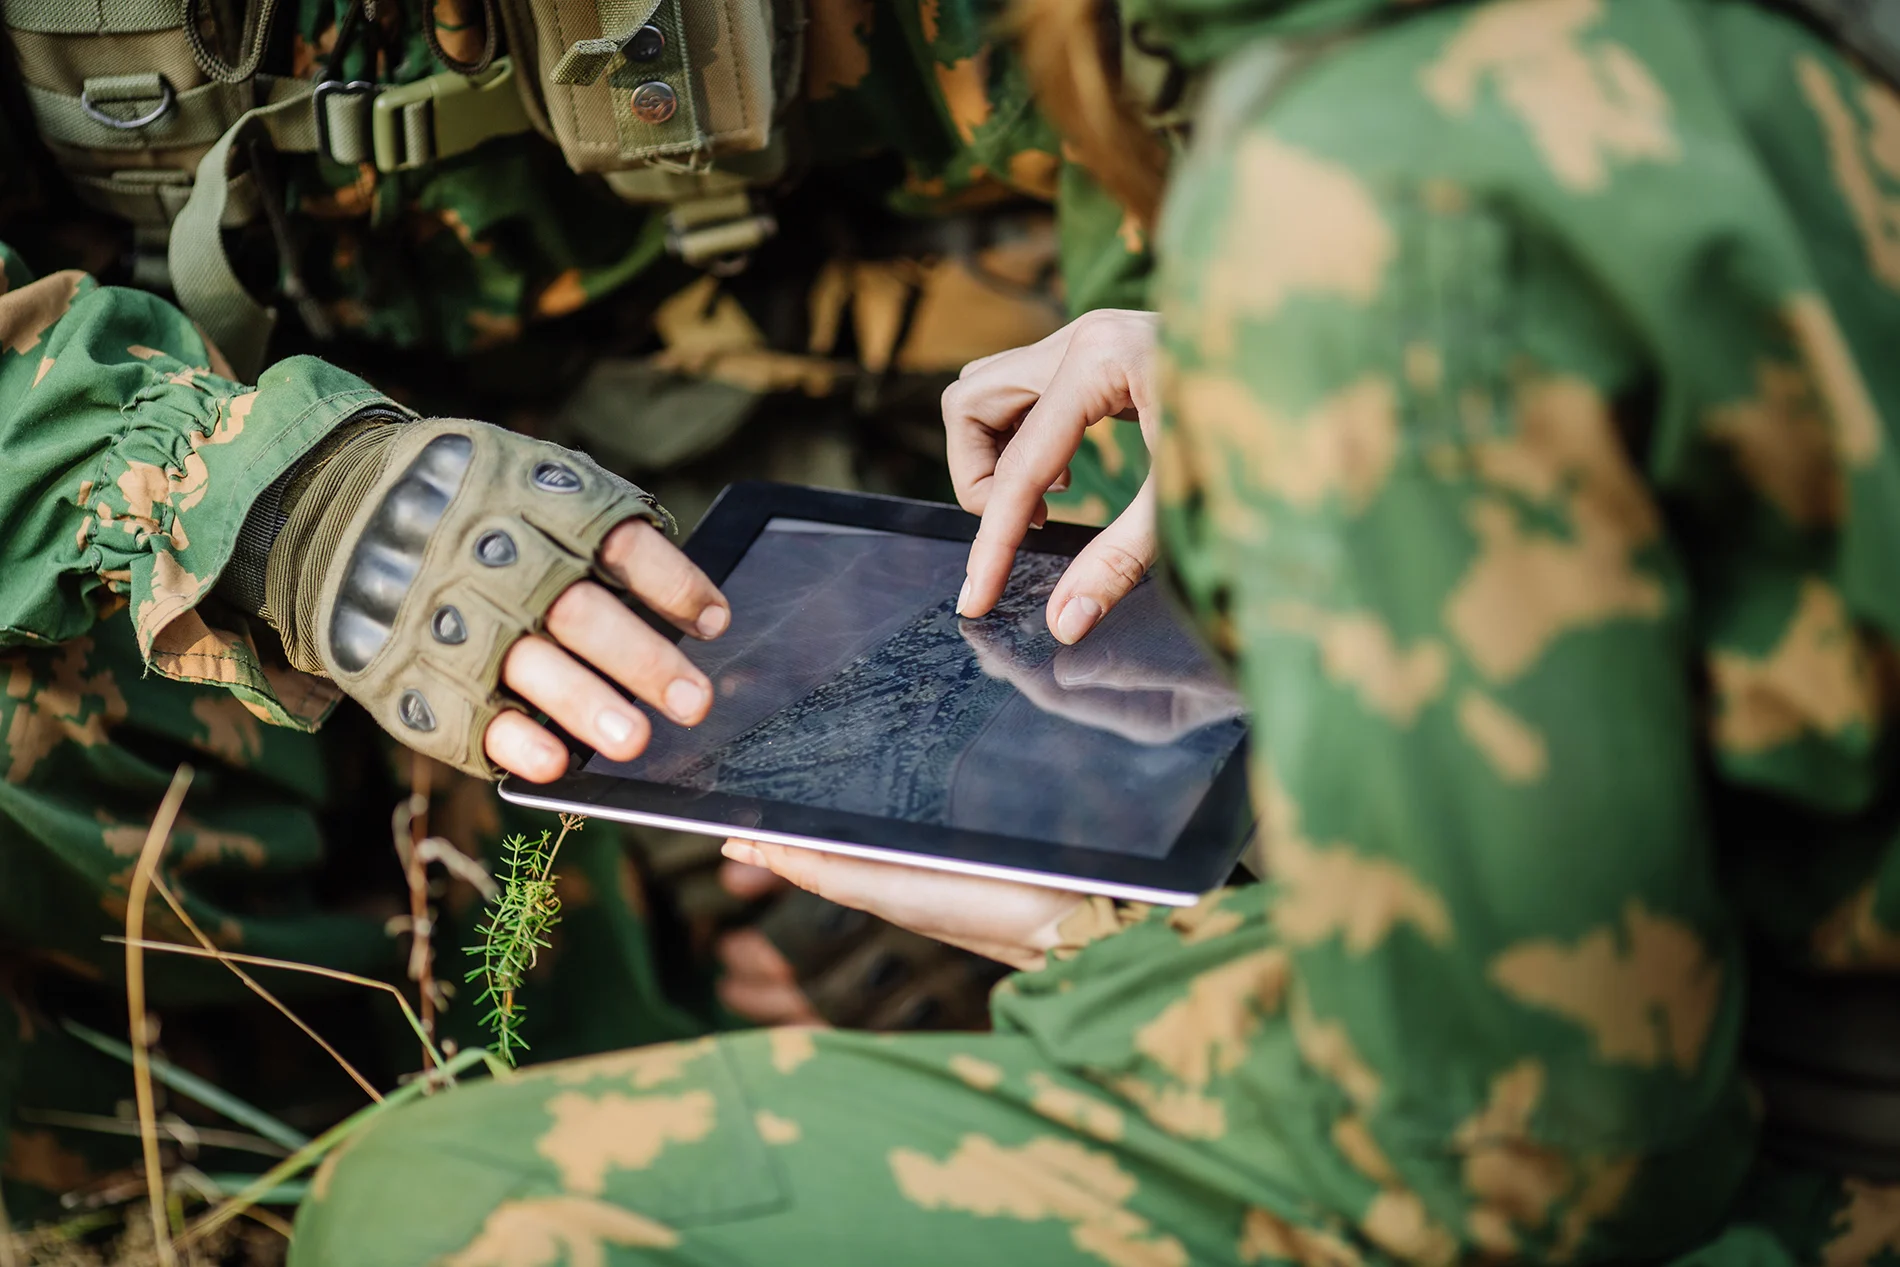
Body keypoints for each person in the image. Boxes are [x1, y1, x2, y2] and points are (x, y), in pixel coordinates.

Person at [292, 0, 1900, 1263]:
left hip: (1805, 1138)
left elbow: (1555, 1154)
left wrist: (1091, 947)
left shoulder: (1378, 178)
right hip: (1735, 968)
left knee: (435, 1212)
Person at [0, 0, 1149, 1226]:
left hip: (895, 505)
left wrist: (1032, 768)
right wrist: (272, 497)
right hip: (273, 632)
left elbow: (1219, 198)